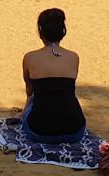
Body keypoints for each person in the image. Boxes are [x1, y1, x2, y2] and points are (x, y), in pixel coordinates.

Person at [21, 8, 87, 144]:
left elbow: (30, 93)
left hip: (39, 132)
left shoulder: (30, 58)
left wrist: (23, 115)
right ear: (63, 31)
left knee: (34, 100)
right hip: (74, 131)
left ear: (40, 31)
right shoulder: (73, 57)